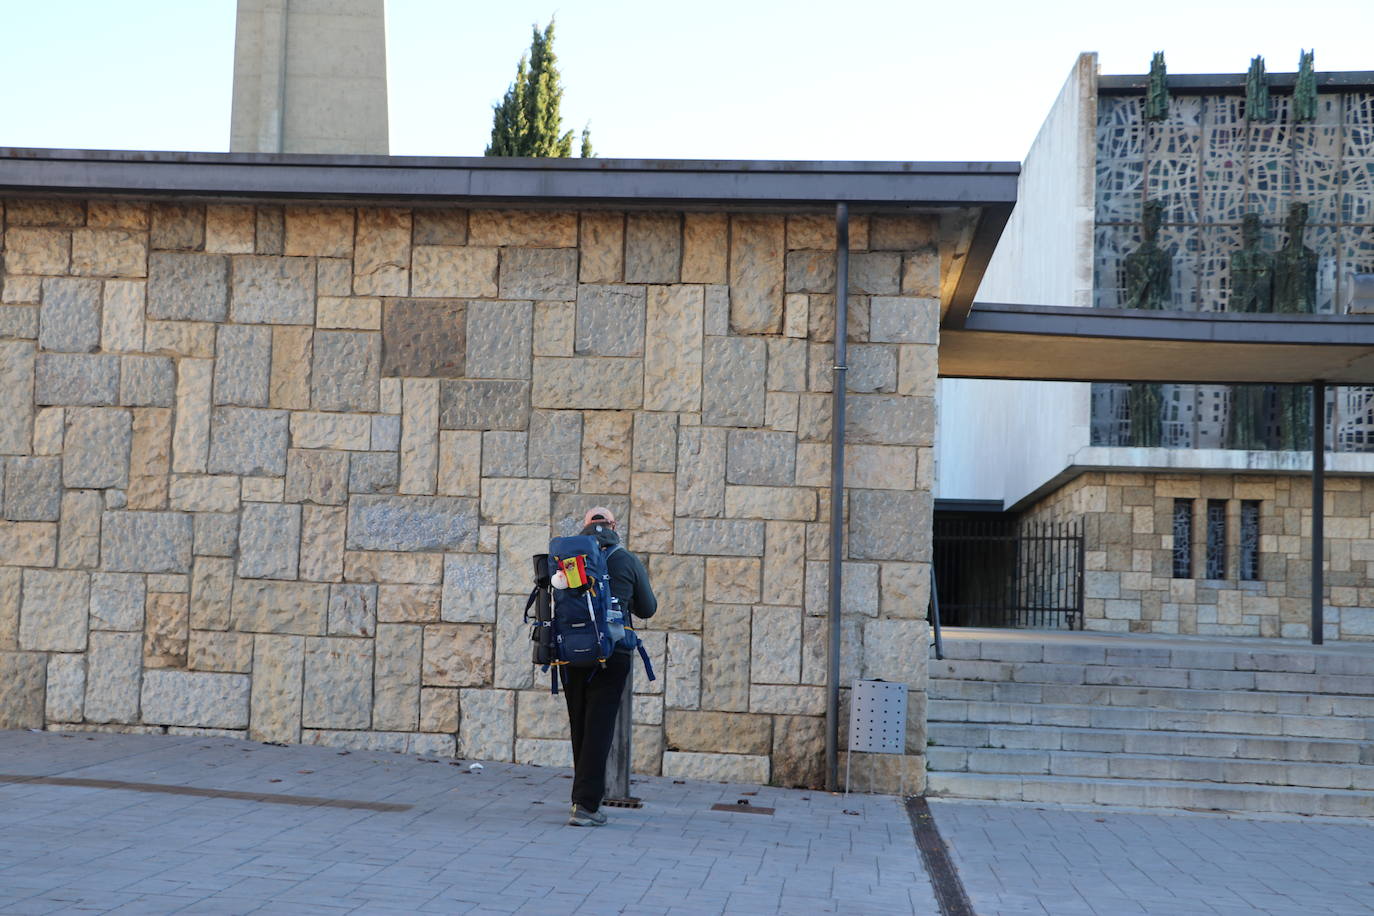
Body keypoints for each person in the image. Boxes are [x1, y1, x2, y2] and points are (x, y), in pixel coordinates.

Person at [562, 506, 656, 827]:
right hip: (612, 653)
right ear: (614, 525)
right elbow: (648, 608)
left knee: (581, 725)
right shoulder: (625, 559)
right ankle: (586, 805)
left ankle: (583, 798)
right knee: (600, 728)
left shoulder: (569, 559)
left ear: (584, 526)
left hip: (571, 652)